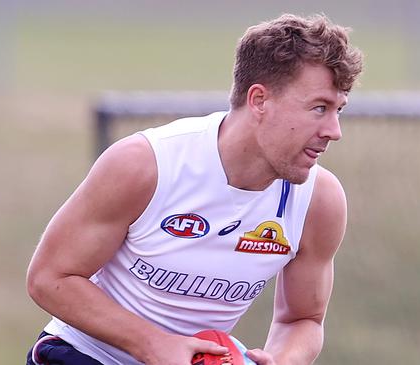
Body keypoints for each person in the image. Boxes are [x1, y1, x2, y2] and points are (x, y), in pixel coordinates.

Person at [26, 13, 363, 365]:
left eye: (338, 110)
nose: (334, 130)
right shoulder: (145, 164)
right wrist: (152, 344)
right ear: (259, 100)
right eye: (319, 108)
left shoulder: (319, 200)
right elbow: (50, 277)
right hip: (84, 356)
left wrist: (280, 360)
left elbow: (303, 319)